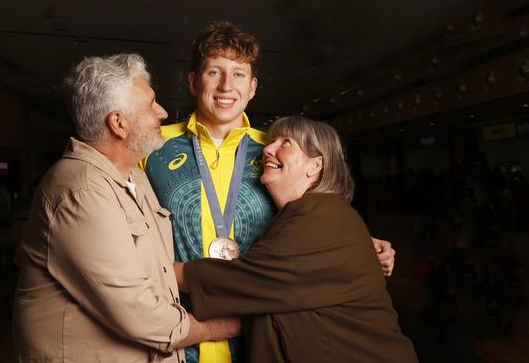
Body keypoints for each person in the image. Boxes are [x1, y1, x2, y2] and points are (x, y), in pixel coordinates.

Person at [142, 21, 396, 363]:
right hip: (179, 332)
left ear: (253, 87)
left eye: (239, 75)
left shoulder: (274, 153)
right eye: (214, 72)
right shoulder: (152, 148)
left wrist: (364, 247)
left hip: (260, 333)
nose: (226, 86)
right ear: (192, 81)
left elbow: (315, 220)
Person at [13, 53, 240, 362]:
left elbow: (158, 268)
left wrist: (239, 281)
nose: (162, 112)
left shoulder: (134, 176)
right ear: (118, 123)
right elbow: (136, 310)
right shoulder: (82, 191)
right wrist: (215, 329)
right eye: (151, 104)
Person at [175, 116, 418, 363]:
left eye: (286, 142)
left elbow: (247, 279)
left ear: (315, 165)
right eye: (271, 142)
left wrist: (159, 271)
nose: (267, 149)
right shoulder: (307, 216)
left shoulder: (322, 215)